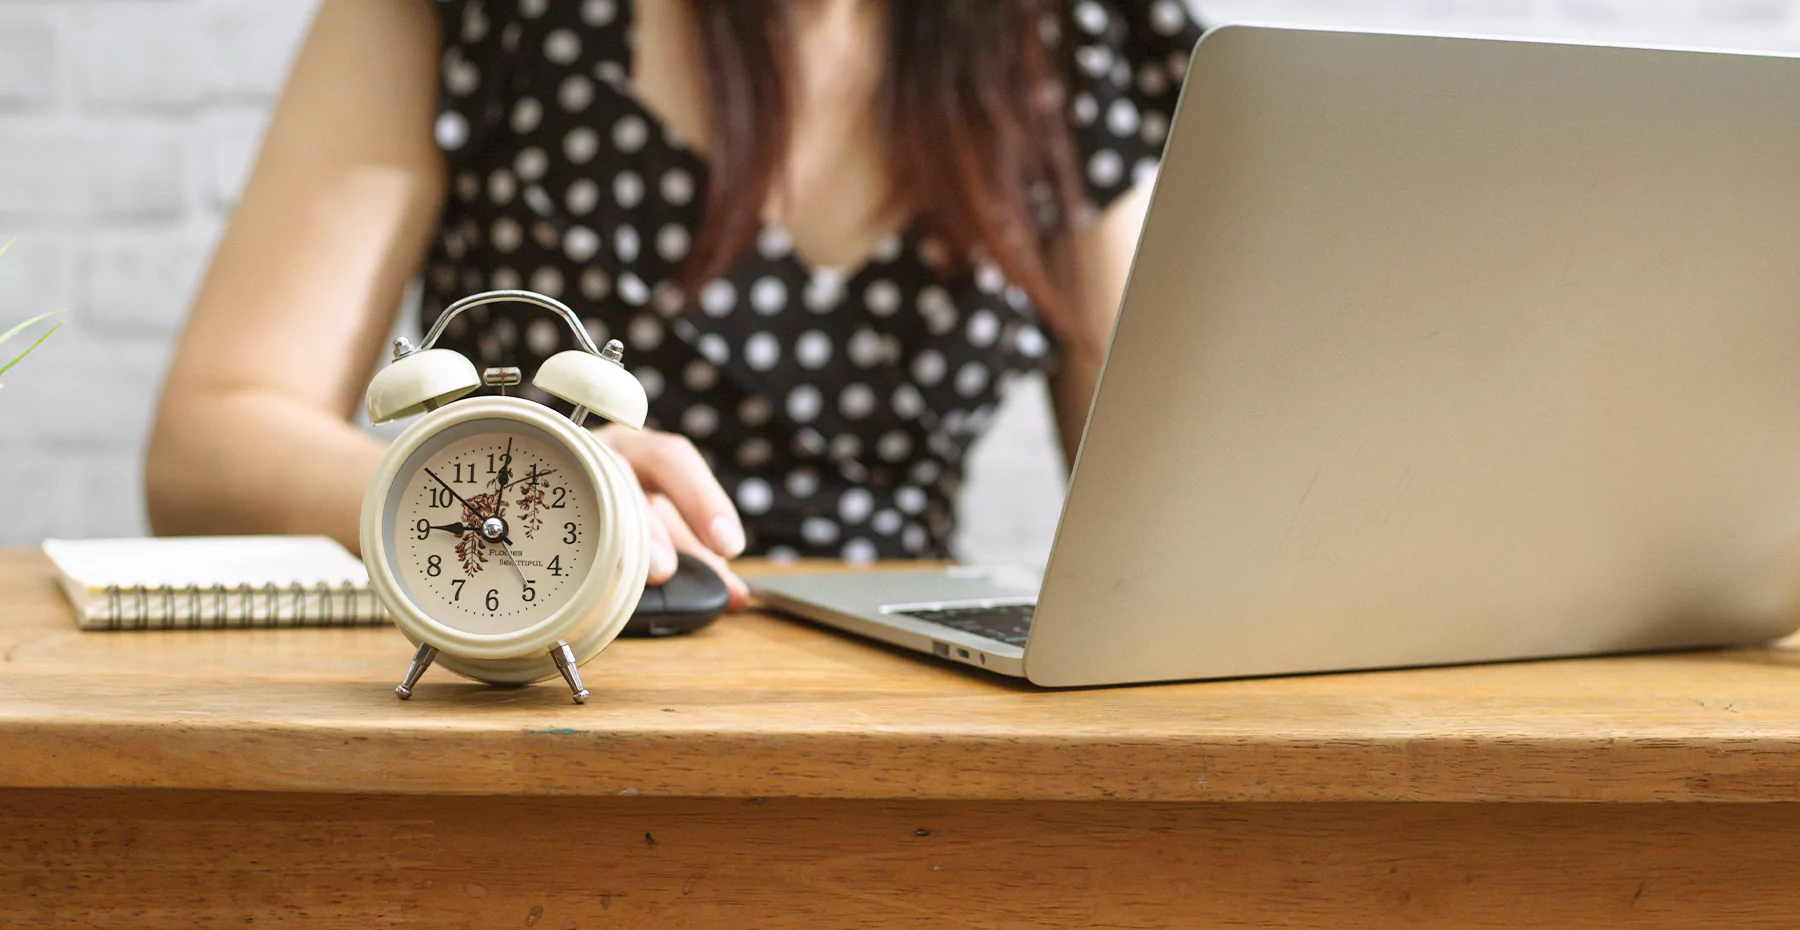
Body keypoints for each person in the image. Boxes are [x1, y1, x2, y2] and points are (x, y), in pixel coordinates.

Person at [145, 0, 1204, 607]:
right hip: (548, 656)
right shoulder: (481, 17)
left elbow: (1168, 503)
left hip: (910, 712)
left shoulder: (1070, 33)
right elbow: (209, 441)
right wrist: (508, 482)